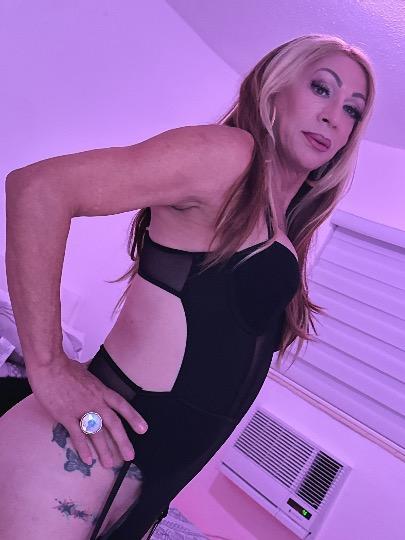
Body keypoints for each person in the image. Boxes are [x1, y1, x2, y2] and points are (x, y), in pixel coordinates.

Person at [0, 33, 375, 540]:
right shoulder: (229, 155)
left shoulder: (285, 227)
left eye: (353, 109)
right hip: (78, 456)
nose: (334, 116)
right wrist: (48, 367)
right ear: (274, 88)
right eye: (321, 88)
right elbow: (38, 189)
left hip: (140, 488)